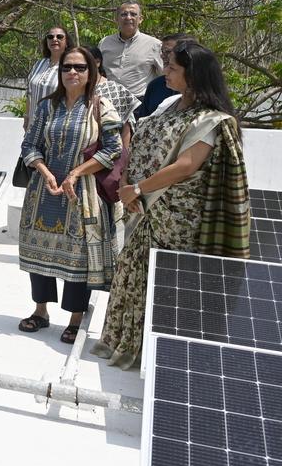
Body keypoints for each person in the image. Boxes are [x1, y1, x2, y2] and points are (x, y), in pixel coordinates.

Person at [92, 43, 250, 370]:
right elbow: (140, 141)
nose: (166, 72)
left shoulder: (212, 120)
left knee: (170, 285)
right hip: (149, 212)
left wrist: (137, 188)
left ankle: (168, 356)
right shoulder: (170, 106)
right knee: (133, 273)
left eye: (173, 68)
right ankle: (133, 345)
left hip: (180, 220)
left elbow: (186, 166)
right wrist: (127, 183)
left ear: (193, 76)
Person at [17, 47, 122, 343]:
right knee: (39, 250)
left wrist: (76, 173)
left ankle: (76, 318)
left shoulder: (101, 107)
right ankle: (40, 311)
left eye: (79, 67)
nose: (72, 73)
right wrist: (46, 172)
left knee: (78, 257)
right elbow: (30, 145)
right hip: (45, 192)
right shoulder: (47, 107)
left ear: (91, 72)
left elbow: (113, 150)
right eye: (66, 68)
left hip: (82, 194)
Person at [98, 0, 162, 99]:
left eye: (133, 14)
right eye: (123, 14)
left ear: (140, 19)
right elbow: (97, 72)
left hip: (139, 103)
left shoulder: (154, 44)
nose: (128, 17)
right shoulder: (105, 43)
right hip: (108, 101)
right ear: (116, 19)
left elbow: (165, 76)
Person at [24, 25, 76, 130]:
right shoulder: (39, 64)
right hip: (33, 126)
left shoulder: (70, 67)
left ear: (67, 42)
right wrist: (27, 117)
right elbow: (29, 93)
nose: (54, 39)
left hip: (56, 126)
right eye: (50, 37)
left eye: (60, 37)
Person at [133, 33, 195, 119]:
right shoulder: (155, 85)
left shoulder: (201, 90)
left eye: (168, 52)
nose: (162, 55)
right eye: (162, 51)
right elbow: (142, 120)